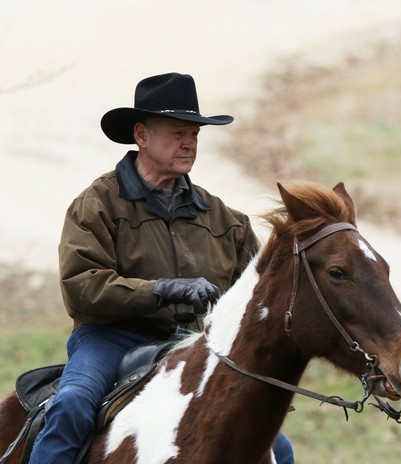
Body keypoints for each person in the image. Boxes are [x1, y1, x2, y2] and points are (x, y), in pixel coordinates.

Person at [28, 72, 294, 464]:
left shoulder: (226, 220)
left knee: (278, 448)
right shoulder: (97, 204)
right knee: (71, 405)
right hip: (109, 339)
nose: (189, 143)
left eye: (195, 134)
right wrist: (163, 289)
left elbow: (255, 302)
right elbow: (82, 288)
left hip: (192, 343)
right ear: (141, 136)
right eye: (177, 133)